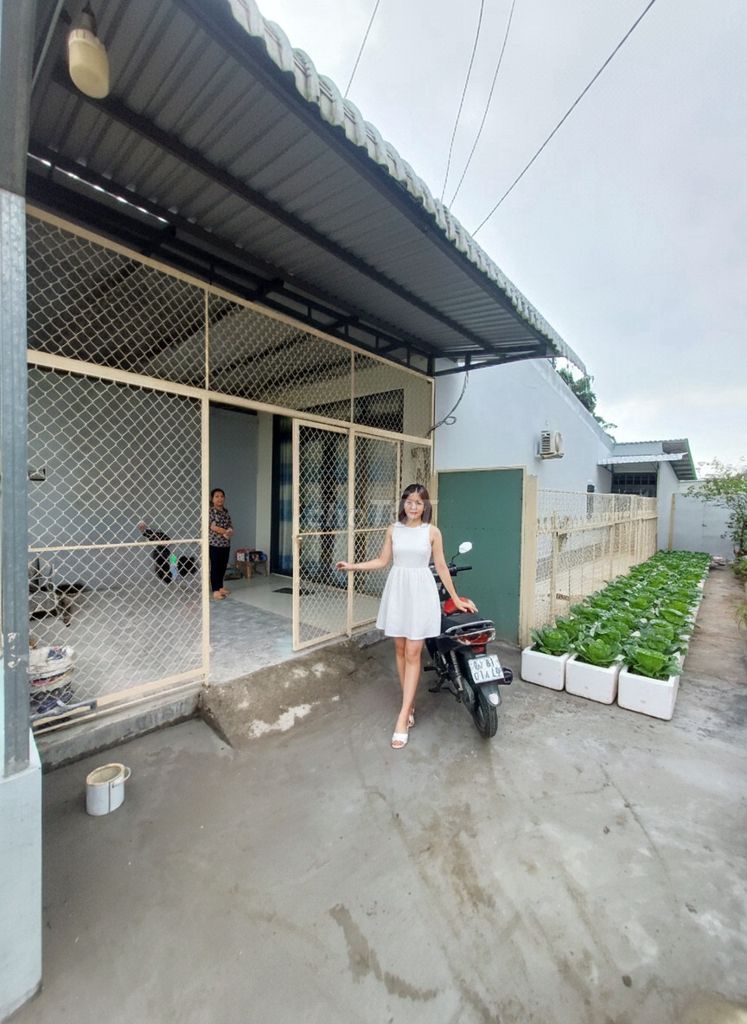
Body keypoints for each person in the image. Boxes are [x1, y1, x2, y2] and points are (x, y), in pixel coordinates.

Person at [336, 483, 475, 749]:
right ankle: (408, 705)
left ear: (425, 506)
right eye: (409, 501)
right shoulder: (393, 529)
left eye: (418, 503)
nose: (413, 506)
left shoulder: (432, 532)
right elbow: (382, 561)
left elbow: (441, 566)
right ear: (403, 503)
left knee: (413, 652)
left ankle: (402, 716)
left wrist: (456, 598)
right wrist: (352, 566)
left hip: (421, 592)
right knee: (400, 650)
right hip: (398, 591)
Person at [209, 488, 234, 600]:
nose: (220, 499)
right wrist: (225, 531)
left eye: (222, 496)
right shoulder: (210, 511)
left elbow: (230, 525)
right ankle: (215, 590)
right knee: (215, 567)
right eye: (217, 496)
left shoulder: (225, 512)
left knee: (223, 566)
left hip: (225, 544)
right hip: (214, 544)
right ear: (212, 499)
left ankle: (220, 587)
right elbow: (213, 527)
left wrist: (230, 531)